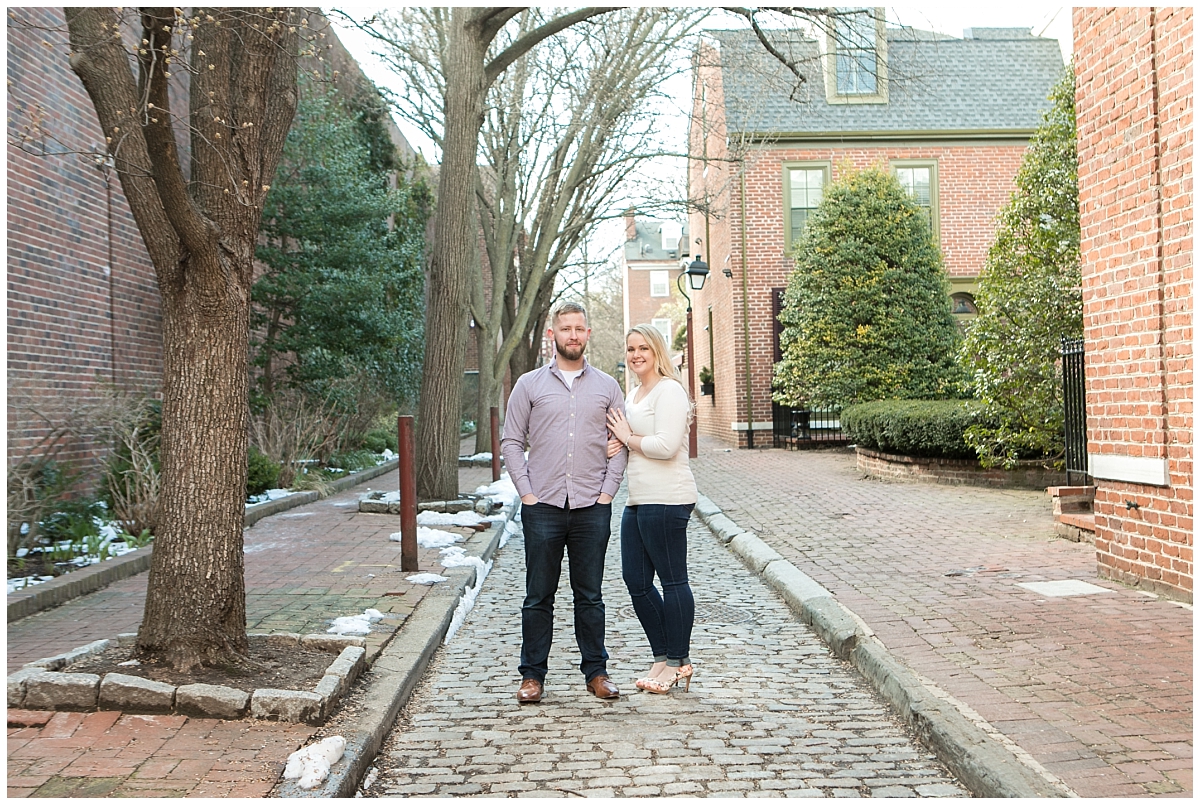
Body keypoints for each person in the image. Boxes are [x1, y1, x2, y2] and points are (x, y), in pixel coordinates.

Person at [500, 300, 628, 704]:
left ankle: (597, 672)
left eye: (579, 328)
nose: (573, 335)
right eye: (565, 328)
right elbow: (510, 441)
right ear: (552, 335)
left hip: (592, 505)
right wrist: (527, 492)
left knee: (589, 595)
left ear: (588, 334)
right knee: (539, 595)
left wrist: (608, 492)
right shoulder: (529, 385)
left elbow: (621, 441)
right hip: (543, 507)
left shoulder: (607, 386)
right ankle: (532, 676)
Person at [605, 324, 698, 695]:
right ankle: (661, 657)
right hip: (639, 499)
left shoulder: (669, 391)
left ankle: (678, 662)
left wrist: (627, 438)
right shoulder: (635, 394)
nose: (636, 354)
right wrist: (620, 445)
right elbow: (635, 441)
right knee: (637, 582)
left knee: (673, 581)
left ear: (657, 351)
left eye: (643, 347)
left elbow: (666, 445)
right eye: (630, 349)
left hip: (669, 497)